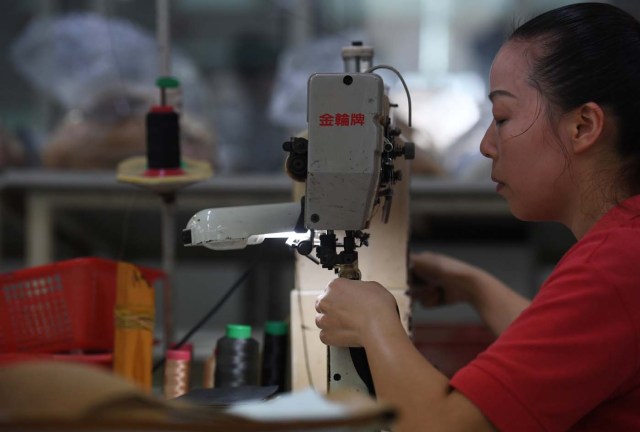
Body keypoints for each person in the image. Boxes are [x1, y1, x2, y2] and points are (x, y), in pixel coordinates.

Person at [314, 3, 640, 431]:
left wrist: (374, 323)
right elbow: (569, 346)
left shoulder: (614, 264)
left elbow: (448, 426)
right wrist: (473, 286)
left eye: (502, 117)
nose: (487, 144)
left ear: (583, 127)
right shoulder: (624, 248)